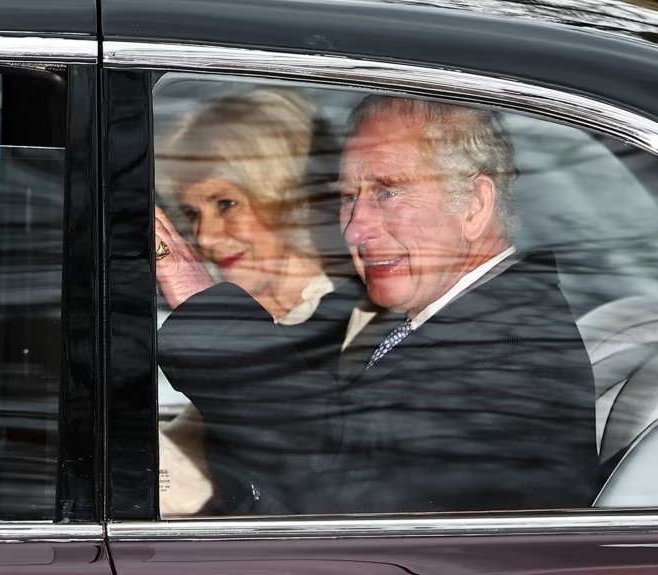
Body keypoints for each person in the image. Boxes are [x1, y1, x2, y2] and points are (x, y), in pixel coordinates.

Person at [159, 94, 598, 515]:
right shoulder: (441, 326)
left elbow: (342, 492)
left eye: (387, 191)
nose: (354, 230)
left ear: (475, 206)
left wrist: (194, 293)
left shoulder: (507, 356)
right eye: (349, 197)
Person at [153, 88, 361, 515]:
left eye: (226, 203)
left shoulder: (358, 326)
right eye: (192, 214)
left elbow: (297, 470)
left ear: (288, 196)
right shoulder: (269, 320)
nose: (206, 238)